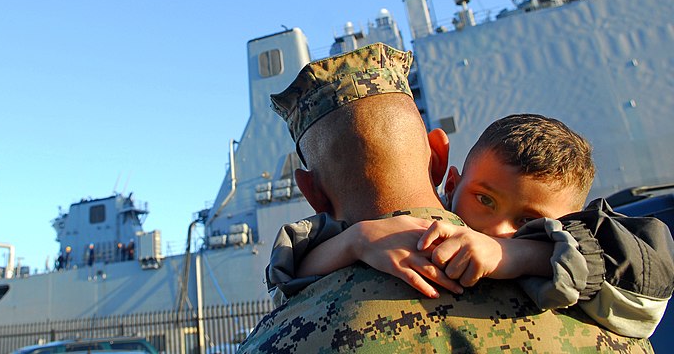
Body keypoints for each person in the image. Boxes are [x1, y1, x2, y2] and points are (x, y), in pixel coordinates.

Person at [238, 43, 653, 353]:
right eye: (487, 201)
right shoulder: (600, 311)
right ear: (440, 158)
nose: (503, 232)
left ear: (311, 192)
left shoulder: (275, 339)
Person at [271, 113, 674, 338]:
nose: (497, 228)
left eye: (528, 220)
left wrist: (522, 253)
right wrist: (355, 241)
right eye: (484, 200)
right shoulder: (416, 236)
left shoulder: (579, 254)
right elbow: (291, 280)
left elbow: (646, 278)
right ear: (450, 183)